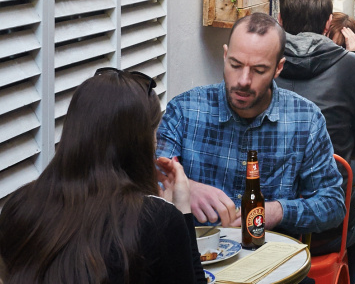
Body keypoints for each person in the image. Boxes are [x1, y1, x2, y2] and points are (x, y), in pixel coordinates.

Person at [0, 69, 205, 284]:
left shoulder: (18, 207)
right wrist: (182, 212)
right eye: (154, 137)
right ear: (140, 145)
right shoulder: (157, 221)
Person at [156, 13, 345, 242]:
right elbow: (145, 183)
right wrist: (185, 189)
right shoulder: (184, 110)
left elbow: (333, 204)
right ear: (225, 56)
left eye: (259, 70)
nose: (243, 80)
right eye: (235, 65)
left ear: (278, 68)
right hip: (196, 253)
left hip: (269, 254)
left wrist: (277, 211)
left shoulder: (306, 119)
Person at [275, 0, 355, 283]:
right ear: (327, 24)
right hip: (325, 229)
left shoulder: (261, 63)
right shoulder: (352, 66)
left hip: (264, 223)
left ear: (280, 20)